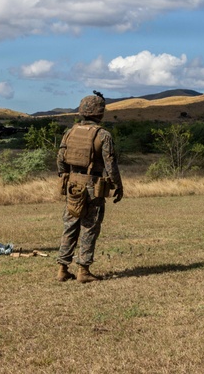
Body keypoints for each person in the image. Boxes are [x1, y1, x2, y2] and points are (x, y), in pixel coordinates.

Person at [56, 91, 123, 283]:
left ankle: (62, 268)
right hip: (93, 185)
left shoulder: (69, 132)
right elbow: (111, 165)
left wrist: (65, 176)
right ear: (100, 113)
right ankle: (83, 270)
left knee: (70, 224)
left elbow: (60, 160)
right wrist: (118, 185)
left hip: (72, 184)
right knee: (89, 226)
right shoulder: (103, 135)